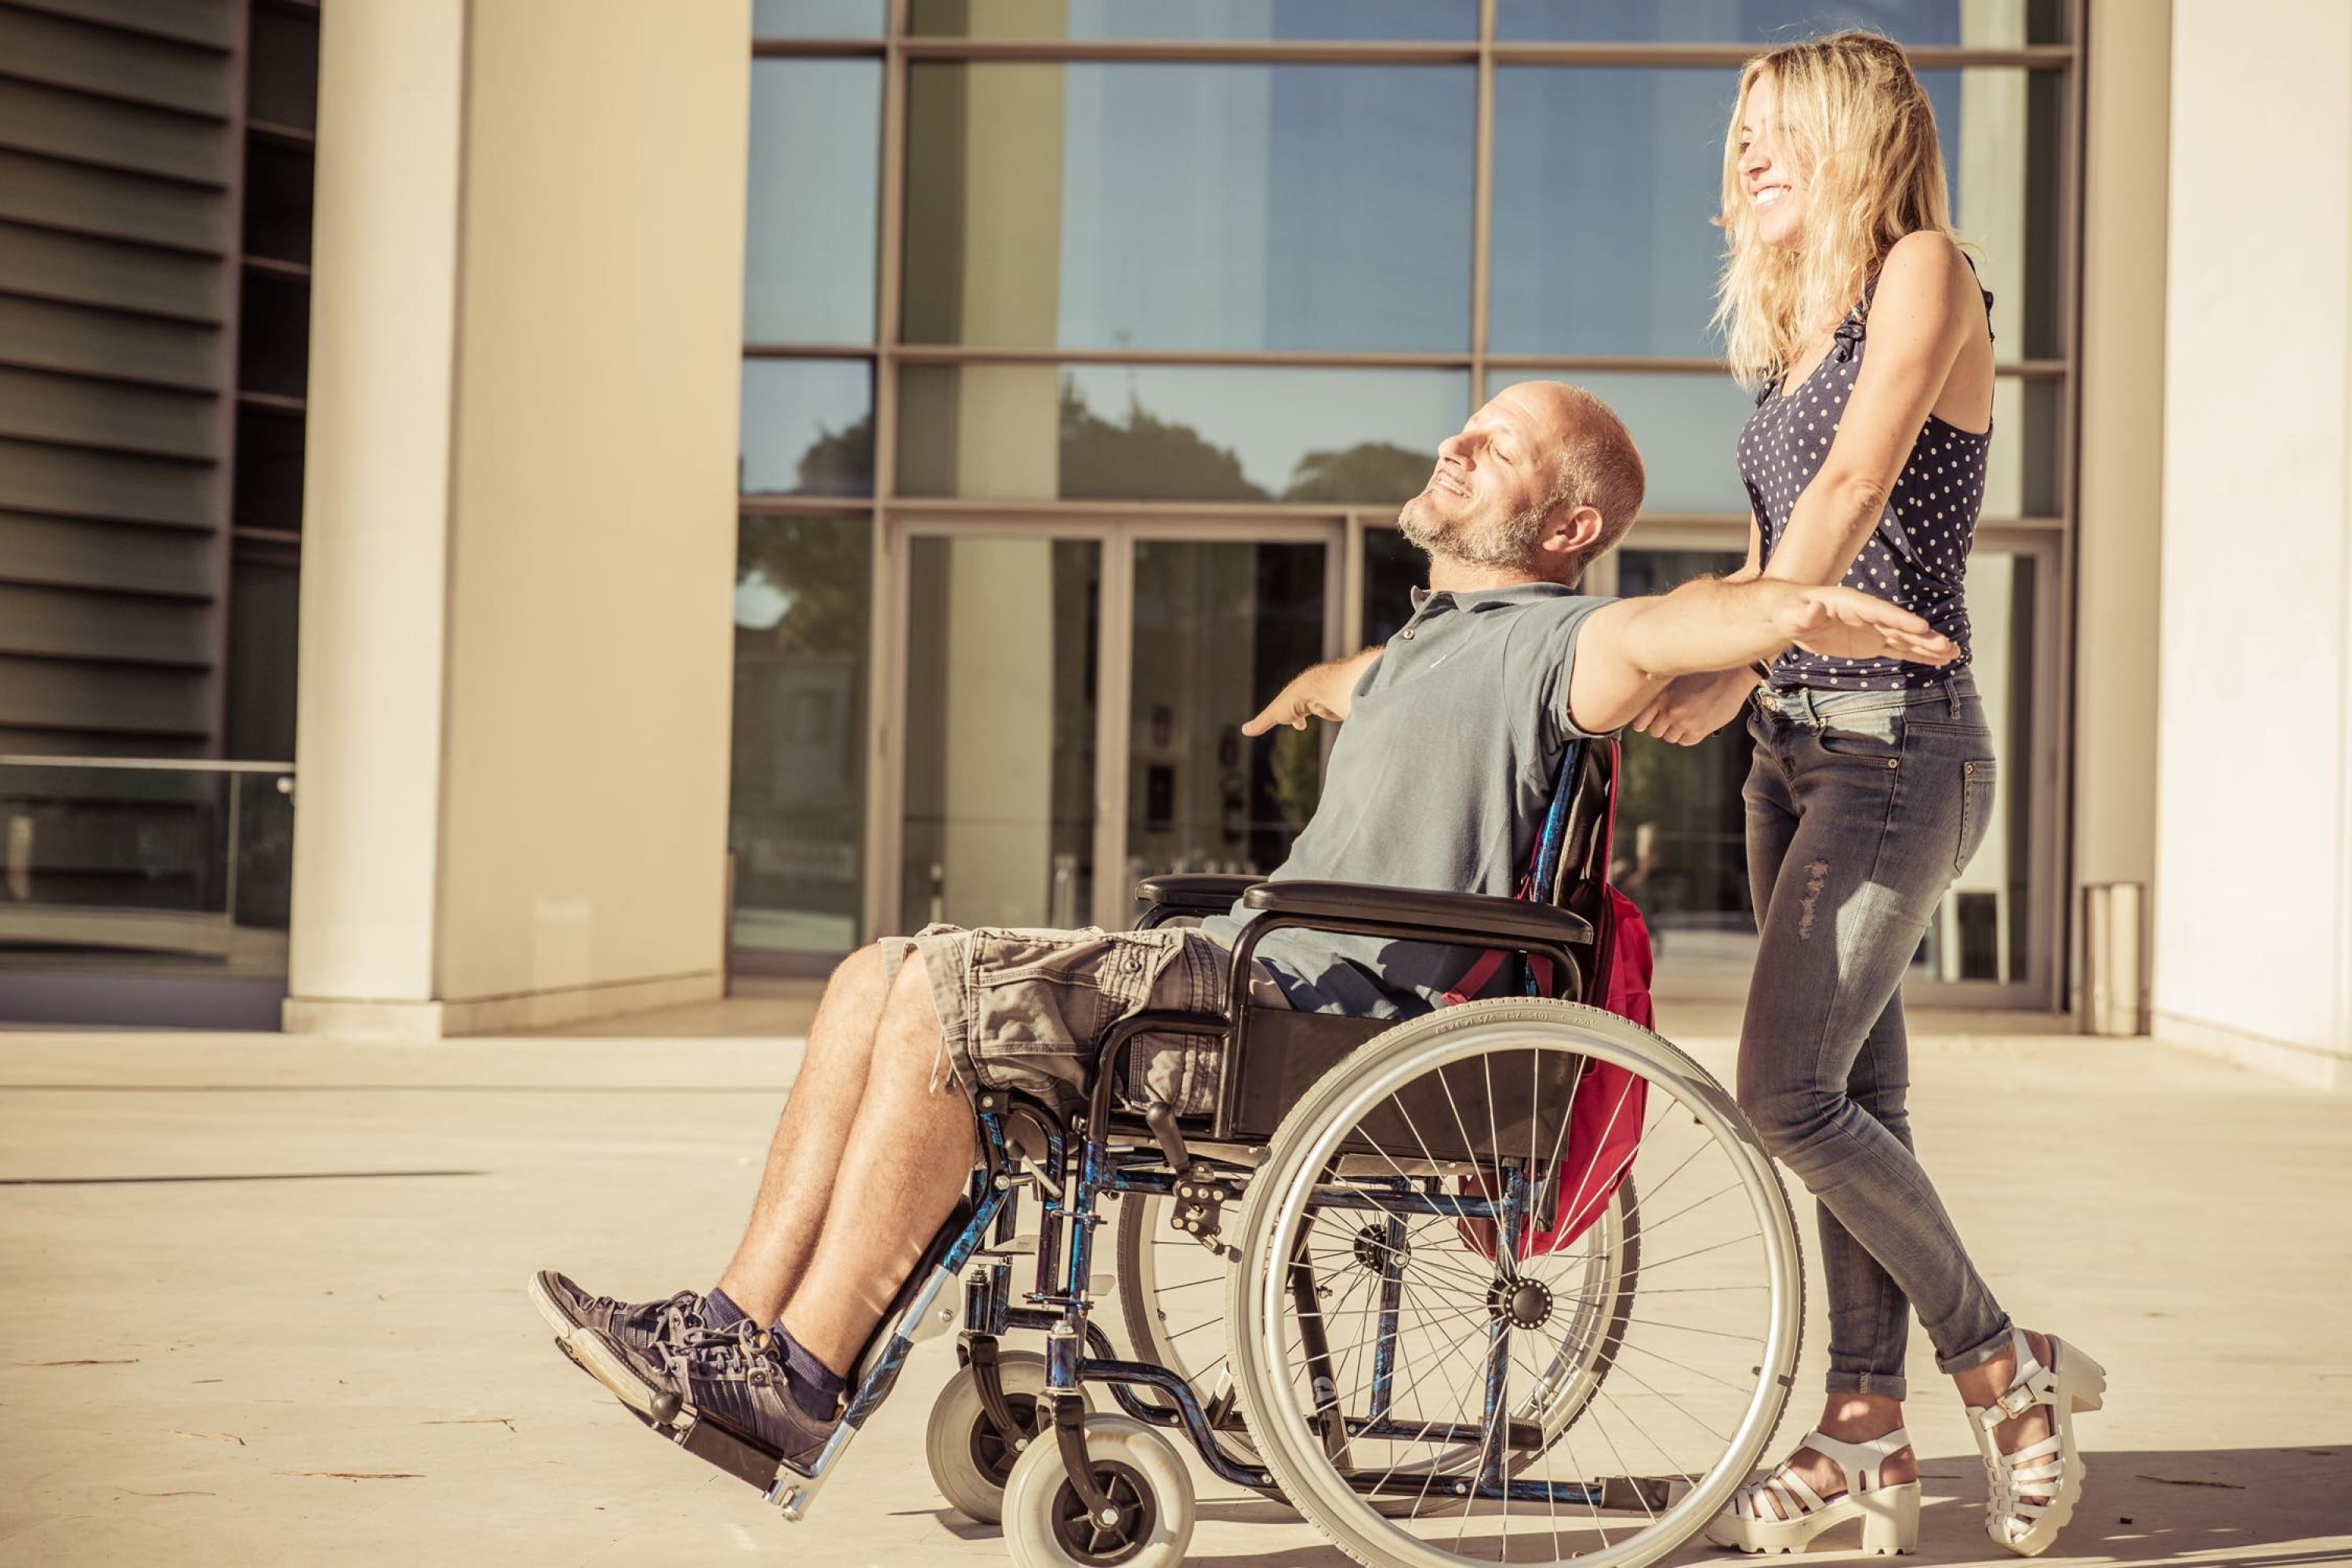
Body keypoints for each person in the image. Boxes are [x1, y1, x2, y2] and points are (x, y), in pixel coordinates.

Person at [531, 380, 1956, 1489]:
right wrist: (1308, 687)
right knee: (870, 973)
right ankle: (733, 1325)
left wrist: (1797, 610)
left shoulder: (1554, 642)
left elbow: (1675, 627)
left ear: (1569, 527)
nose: (1460, 449)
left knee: (938, 993)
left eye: (1501, 447)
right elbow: (1364, 681)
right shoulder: (1426, 648)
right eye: (1466, 430)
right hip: (1266, 988)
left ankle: (803, 1370)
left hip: (1316, 1023)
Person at [1620, 31, 2101, 1559]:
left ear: (1860, 132)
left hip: (1899, 748)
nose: (1745, 153)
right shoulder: (1798, 334)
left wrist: (1737, 634)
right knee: (1857, 1101)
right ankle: (1865, 1420)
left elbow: (1843, 500)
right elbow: (1791, 550)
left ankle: (2002, 1369)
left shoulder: (1929, 269)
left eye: (1777, 126)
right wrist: (1737, 670)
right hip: (1799, 755)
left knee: (1788, 1094)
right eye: (1736, 131)